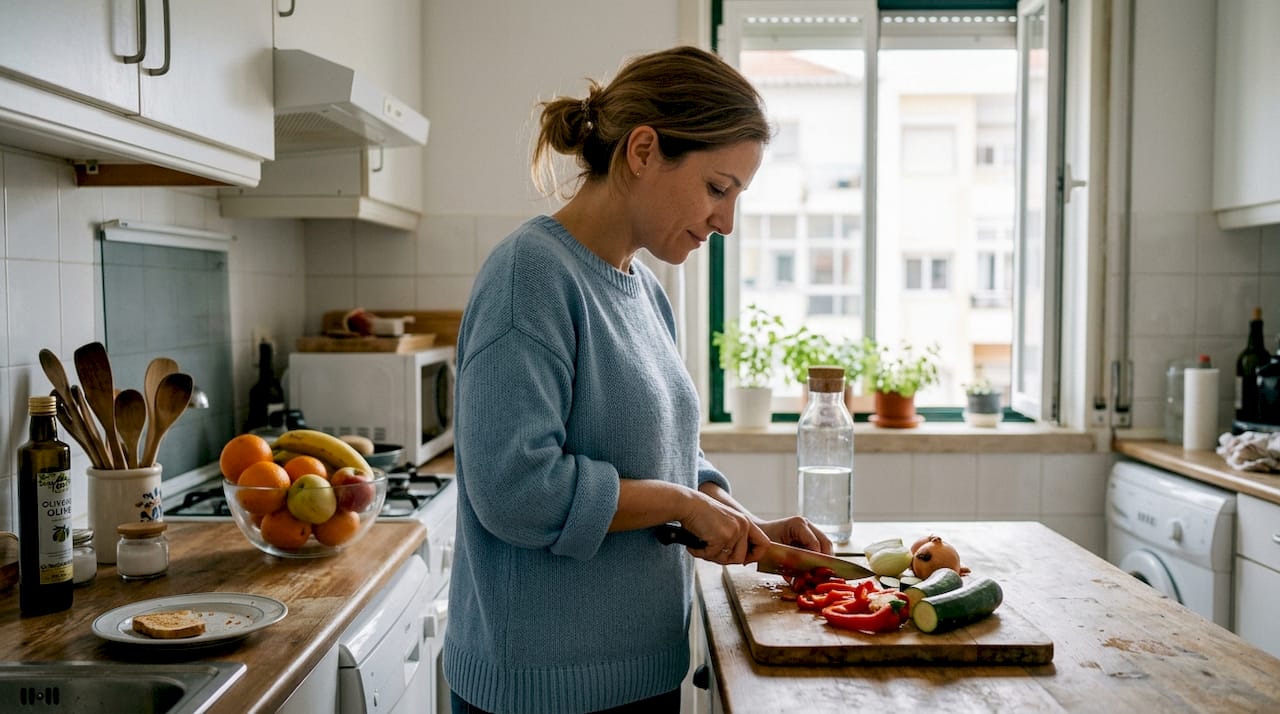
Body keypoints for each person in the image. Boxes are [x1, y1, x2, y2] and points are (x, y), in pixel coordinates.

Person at [443, 45, 833, 714]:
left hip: (641, 676)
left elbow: (665, 456)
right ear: (645, 150)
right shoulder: (530, 277)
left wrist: (748, 528)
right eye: (718, 188)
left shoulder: (646, 293)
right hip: (541, 694)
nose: (726, 221)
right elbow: (514, 490)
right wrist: (684, 505)